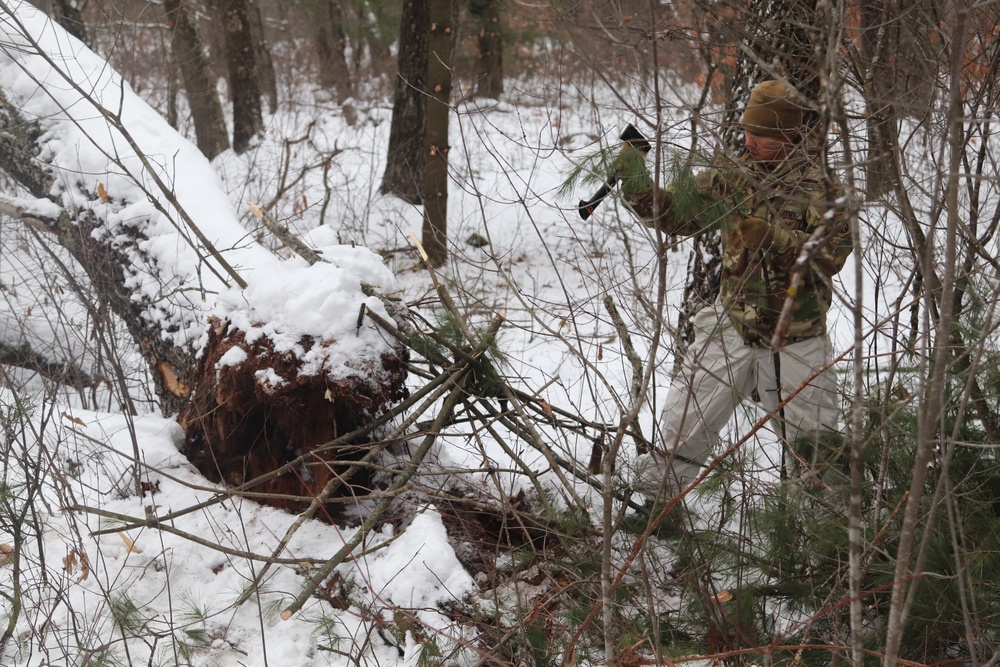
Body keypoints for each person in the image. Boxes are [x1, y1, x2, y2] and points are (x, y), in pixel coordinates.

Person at [618, 80, 854, 521]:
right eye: (747, 130)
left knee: (813, 443)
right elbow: (677, 217)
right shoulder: (731, 175)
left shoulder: (820, 187)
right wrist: (635, 183)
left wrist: (776, 238)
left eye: (762, 134)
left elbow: (830, 258)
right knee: (685, 419)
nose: (751, 140)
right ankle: (655, 509)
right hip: (731, 322)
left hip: (795, 334)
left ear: (789, 135)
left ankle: (828, 541)